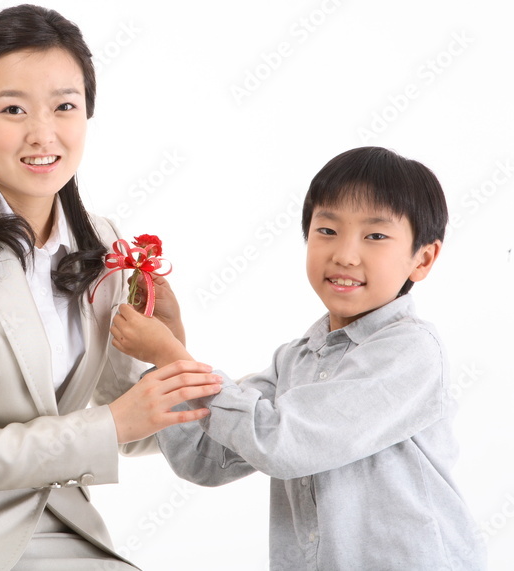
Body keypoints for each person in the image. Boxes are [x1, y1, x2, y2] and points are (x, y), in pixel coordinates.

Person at [0, 4, 223, 570]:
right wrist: (114, 422)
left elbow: (130, 425)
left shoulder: (104, 243)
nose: (43, 133)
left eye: (64, 106)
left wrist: (169, 358)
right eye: (13, 109)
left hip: (65, 527)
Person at [111, 146, 486, 569]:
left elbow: (281, 444)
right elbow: (204, 459)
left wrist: (170, 353)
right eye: (327, 230)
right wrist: (172, 353)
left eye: (375, 236)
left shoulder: (410, 351)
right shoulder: (295, 360)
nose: (344, 254)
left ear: (423, 259)